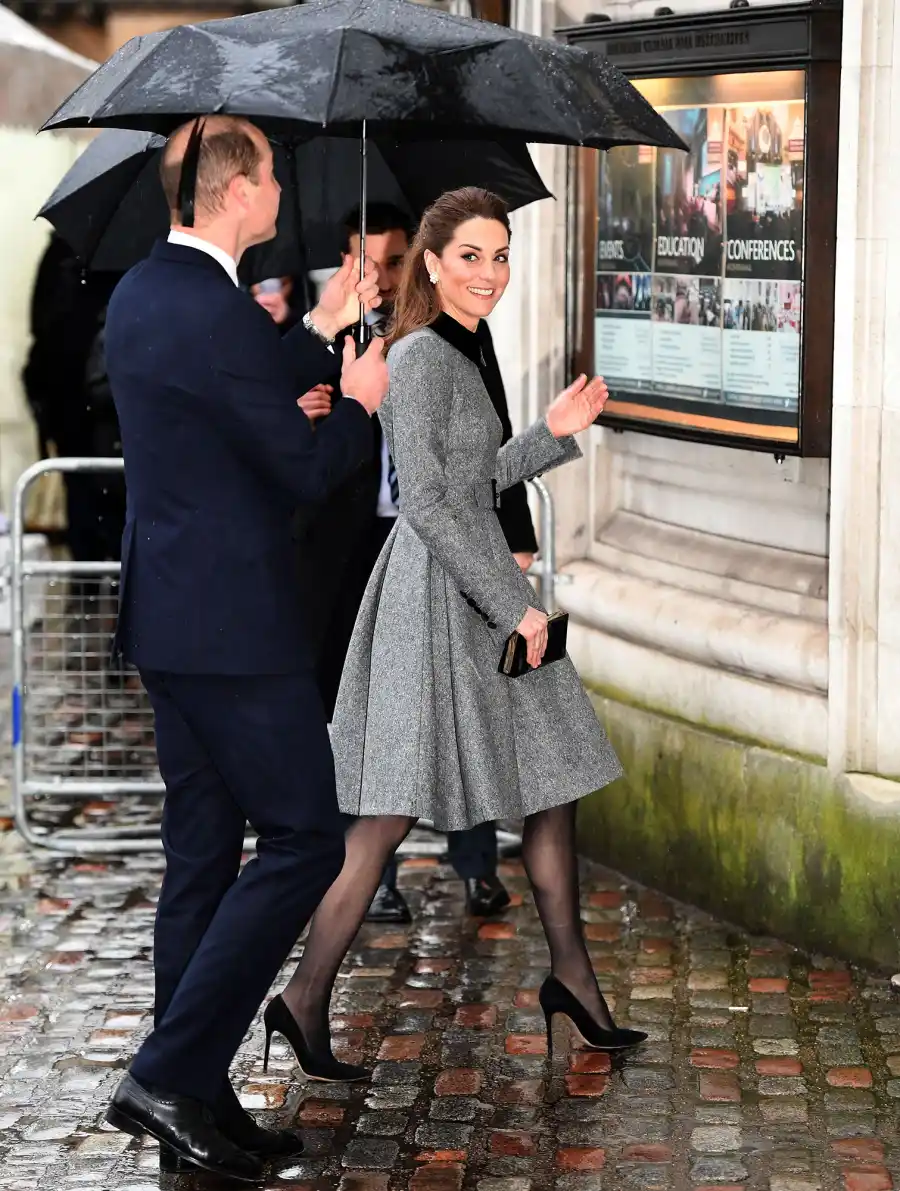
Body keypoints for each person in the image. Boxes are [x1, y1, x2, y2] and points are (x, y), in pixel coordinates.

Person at [264, 187, 647, 1082]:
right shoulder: (424, 355)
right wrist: (510, 602)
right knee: (385, 814)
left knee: (557, 771)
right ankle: (306, 994)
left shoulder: (462, 349)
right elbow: (431, 503)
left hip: (471, 585)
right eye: (470, 255)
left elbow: (471, 480)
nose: (490, 273)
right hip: (436, 599)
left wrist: (549, 434)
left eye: (501, 255)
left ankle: (574, 981)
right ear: (431, 264)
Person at [101, 114, 389, 1183]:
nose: (282, 193)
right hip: (236, 632)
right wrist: (355, 407)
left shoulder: (145, 293)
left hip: (173, 621)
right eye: (271, 177)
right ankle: (169, 1071)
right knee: (308, 839)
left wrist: (314, 337)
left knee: (200, 859)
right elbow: (307, 475)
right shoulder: (216, 313)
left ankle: (197, 1097)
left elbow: (227, 410)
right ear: (234, 193)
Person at [296, 203, 535, 923]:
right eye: (366, 261)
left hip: (445, 542)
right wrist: (314, 405)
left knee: (468, 702)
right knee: (371, 718)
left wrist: (514, 530)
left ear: (418, 262)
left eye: (394, 259)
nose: (382, 274)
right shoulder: (327, 337)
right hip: (353, 547)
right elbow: (282, 443)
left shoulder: (457, 333)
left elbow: (495, 434)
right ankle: (376, 874)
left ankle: (475, 860)